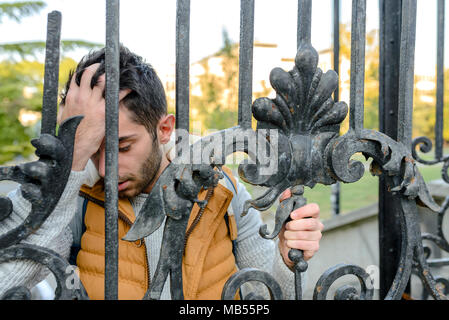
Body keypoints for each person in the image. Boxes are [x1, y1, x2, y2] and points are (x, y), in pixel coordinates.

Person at [0, 45, 323, 300]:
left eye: (123, 147)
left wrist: (286, 259)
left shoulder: (222, 189)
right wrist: (72, 158)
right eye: (93, 149)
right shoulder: (77, 197)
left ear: (165, 128)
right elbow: (6, 280)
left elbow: (265, 294)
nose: (104, 169)